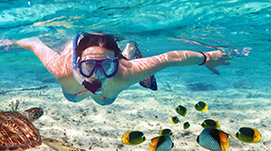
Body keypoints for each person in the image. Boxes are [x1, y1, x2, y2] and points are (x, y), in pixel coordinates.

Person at [12, 32, 232, 106]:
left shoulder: (126, 72)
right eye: (89, 65)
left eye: (107, 66)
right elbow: (34, 42)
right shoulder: (62, 69)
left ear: (117, 62)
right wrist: (12, 40)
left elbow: (169, 58)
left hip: (109, 91)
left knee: (102, 100)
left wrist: (207, 58)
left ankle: (129, 50)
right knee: (75, 97)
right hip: (74, 90)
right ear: (77, 63)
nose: (98, 75)